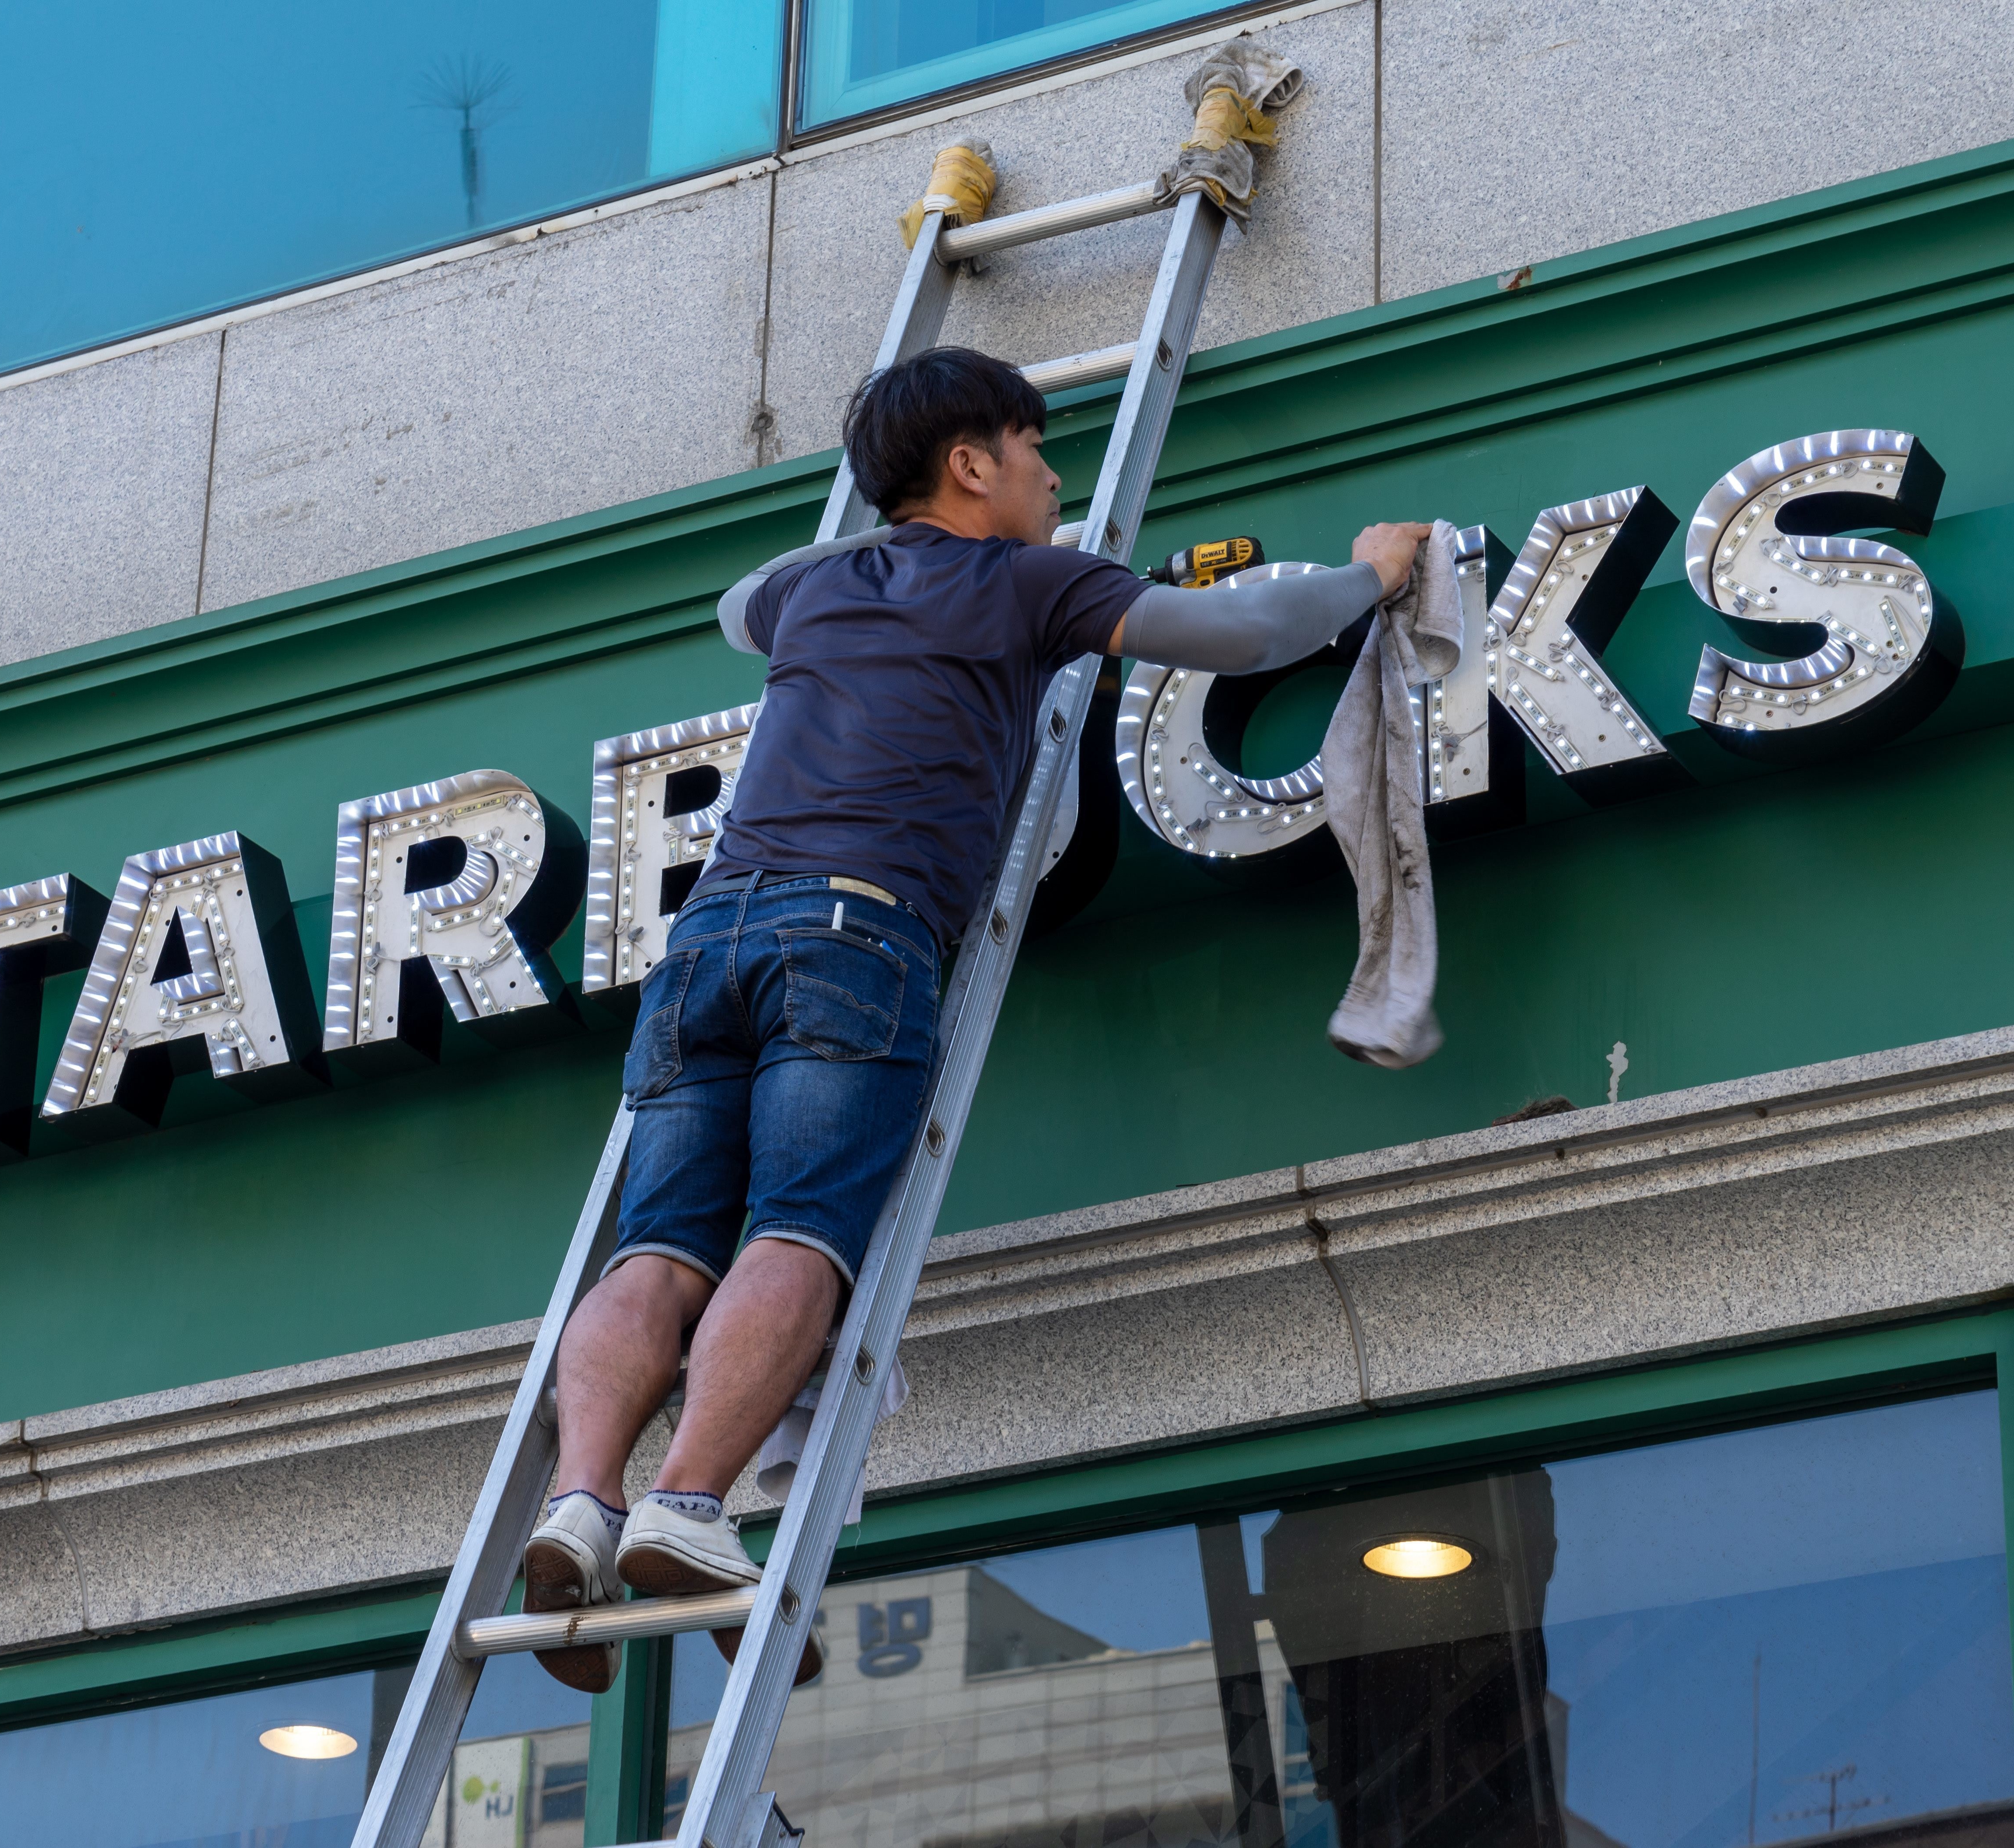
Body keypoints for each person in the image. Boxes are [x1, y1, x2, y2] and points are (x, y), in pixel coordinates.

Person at [522, 345, 1429, 1691]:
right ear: (970, 466)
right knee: (800, 1231)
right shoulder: (1025, 583)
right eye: (1033, 450)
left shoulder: (811, 590)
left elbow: (735, 603)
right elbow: (1240, 634)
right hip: (858, 932)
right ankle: (690, 1503)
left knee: (653, 1250)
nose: (1058, 478)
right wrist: (1372, 575)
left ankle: (581, 1502)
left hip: (707, 939)